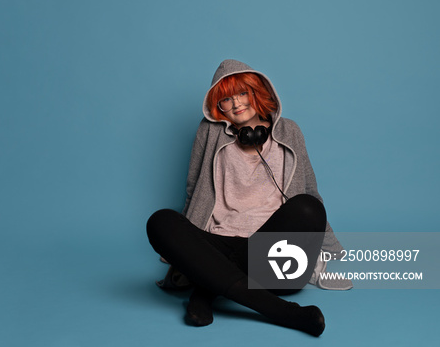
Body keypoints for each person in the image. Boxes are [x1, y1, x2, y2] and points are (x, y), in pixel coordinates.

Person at [146, 59, 350, 337]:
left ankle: (206, 290)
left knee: (308, 207)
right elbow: (194, 186)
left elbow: (311, 189)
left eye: (243, 93)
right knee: (161, 221)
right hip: (218, 242)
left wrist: (329, 246)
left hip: (273, 255)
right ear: (218, 107)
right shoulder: (209, 132)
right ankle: (279, 310)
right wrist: (184, 243)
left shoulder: (290, 131)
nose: (236, 104)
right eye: (226, 99)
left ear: (258, 94)